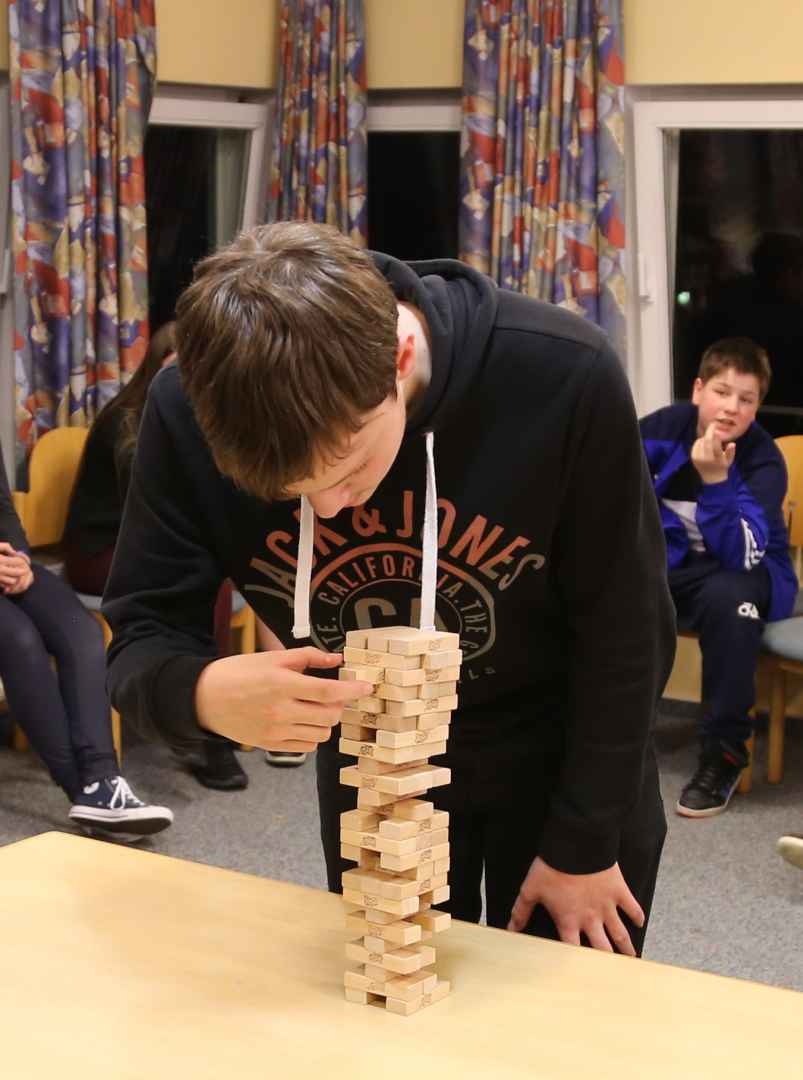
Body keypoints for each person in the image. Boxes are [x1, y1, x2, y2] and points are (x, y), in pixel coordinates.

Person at [103, 221, 674, 956]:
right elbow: (141, 636)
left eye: (344, 469)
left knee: (563, 1035)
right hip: (375, 766)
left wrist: (584, 842)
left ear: (399, 358)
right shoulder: (186, 408)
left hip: (570, 760)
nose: (332, 509)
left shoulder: (563, 371)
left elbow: (627, 633)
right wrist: (204, 692)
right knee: (391, 1013)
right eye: (291, 492)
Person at [63, 323, 258, 791]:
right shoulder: (126, 420)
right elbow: (151, 523)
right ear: (159, 368)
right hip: (101, 548)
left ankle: (233, 695)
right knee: (202, 578)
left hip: (134, 542)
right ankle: (205, 729)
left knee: (221, 566)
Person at [640, 337, 797, 818]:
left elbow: (742, 554)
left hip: (748, 573)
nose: (731, 408)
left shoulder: (763, 460)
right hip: (676, 567)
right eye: (722, 392)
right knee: (613, 586)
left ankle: (724, 755)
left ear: (756, 408)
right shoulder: (661, 431)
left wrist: (715, 481)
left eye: (746, 399)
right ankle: (605, 735)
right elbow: (610, 488)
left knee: (730, 603)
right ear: (698, 390)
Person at [0, 460, 173, 840]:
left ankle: (102, 777)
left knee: (83, 634)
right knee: (21, 641)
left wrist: (21, 559)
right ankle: (86, 792)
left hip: (5, 563)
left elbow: (3, 505)